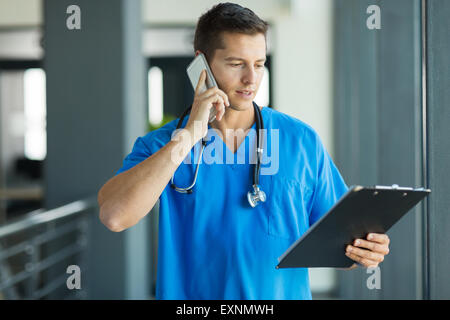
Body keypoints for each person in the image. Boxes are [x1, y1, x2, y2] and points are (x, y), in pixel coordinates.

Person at [97, 2, 390, 300]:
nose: (251, 79)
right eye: (236, 64)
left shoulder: (300, 141)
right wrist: (188, 137)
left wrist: (364, 251)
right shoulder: (163, 145)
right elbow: (115, 216)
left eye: (259, 64)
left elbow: (343, 243)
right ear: (202, 64)